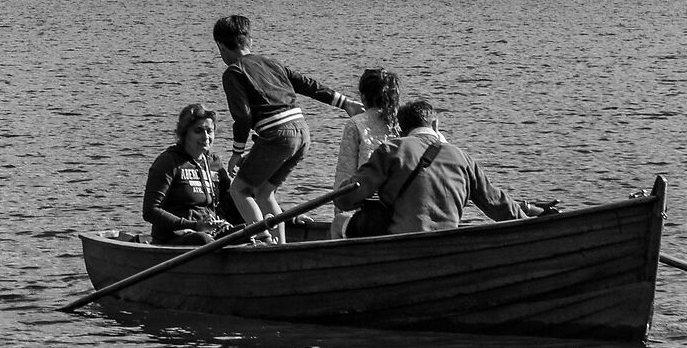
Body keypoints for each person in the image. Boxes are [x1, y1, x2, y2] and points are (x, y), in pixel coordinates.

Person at [212, 14, 363, 240]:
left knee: (240, 190)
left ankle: (263, 241)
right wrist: (345, 103)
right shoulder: (272, 63)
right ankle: (280, 246)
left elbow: (243, 117)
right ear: (249, 41)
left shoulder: (234, 71)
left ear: (221, 47)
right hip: (303, 132)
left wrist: (237, 152)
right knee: (265, 193)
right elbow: (306, 84)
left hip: (278, 134)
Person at [333, 99, 557, 235]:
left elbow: (345, 199)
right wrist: (531, 221)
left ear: (400, 129)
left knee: (339, 222)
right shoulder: (463, 158)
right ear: (436, 125)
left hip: (400, 245)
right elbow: (497, 204)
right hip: (447, 242)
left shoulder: (392, 149)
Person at [143, 103, 241, 246]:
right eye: (198, 131)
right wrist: (194, 226)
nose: (206, 137)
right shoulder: (169, 162)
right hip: (174, 238)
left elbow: (231, 197)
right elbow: (150, 210)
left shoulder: (214, 162)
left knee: (245, 233)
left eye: (209, 131)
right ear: (184, 133)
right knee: (203, 240)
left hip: (211, 234)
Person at [330, 68, 401, 238]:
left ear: (363, 96)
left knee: (338, 223)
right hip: (401, 207)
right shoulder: (402, 122)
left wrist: (340, 214)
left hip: (371, 211)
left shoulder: (356, 124)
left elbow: (344, 178)